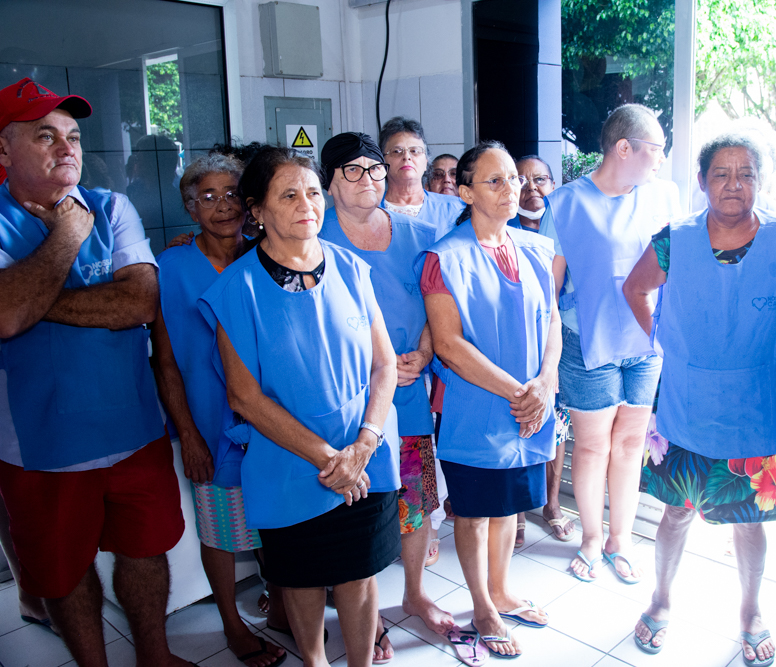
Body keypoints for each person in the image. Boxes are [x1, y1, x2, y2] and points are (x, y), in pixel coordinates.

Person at [0, 77, 188, 667]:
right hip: (41, 447)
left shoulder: (111, 207)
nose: (67, 148)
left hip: (135, 429)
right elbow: (7, 316)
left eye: (73, 136)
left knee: (146, 552)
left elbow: (140, 302)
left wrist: (30, 301)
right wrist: (67, 236)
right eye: (45, 136)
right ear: (4, 150)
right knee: (63, 573)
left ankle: (155, 657)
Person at [198, 146, 401, 667]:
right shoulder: (237, 289)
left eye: (312, 192)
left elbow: (384, 366)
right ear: (257, 211)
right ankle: (314, 661)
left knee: (359, 574)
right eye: (288, 195)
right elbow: (244, 396)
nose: (306, 204)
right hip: (288, 462)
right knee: (303, 578)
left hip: (365, 453)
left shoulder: (352, 269)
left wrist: (363, 445)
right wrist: (329, 459)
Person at [623, 133, 776, 665]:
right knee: (676, 513)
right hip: (687, 401)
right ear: (702, 181)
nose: (734, 184)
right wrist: (666, 341)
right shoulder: (675, 239)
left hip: (760, 404)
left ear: (761, 181)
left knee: (750, 521)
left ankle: (751, 612)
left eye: (746, 174)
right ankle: (661, 600)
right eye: (722, 174)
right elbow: (635, 289)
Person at [419, 141, 561, 659]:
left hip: (530, 405)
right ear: (465, 192)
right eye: (494, 181)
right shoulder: (444, 258)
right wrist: (521, 393)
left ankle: (501, 589)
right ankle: (481, 605)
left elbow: (552, 320)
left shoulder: (536, 248)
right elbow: (449, 345)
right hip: (477, 408)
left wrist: (545, 382)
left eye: (513, 179)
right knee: (475, 512)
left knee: (506, 508)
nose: (510, 190)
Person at [318, 132, 455, 659]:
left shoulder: (418, 235)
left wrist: (425, 351)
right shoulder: (316, 239)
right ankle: (364, 612)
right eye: (352, 170)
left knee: (413, 499)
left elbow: (438, 304)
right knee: (359, 508)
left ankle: (415, 592)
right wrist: (373, 366)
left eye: (375, 169)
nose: (368, 179)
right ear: (329, 182)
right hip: (348, 400)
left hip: (410, 391)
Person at [151, 153, 287, 667]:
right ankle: (232, 623)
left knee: (277, 519)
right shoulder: (171, 268)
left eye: (232, 193)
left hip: (271, 420)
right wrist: (189, 434)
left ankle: (281, 605)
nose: (223, 205)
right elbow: (166, 363)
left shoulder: (267, 255)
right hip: (210, 422)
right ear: (190, 208)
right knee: (220, 529)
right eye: (207, 197)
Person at [540, 103, 679, 587]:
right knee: (594, 445)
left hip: (647, 341)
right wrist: (547, 359)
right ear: (624, 148)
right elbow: (549, 290)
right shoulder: (565, 205)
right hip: (586, 339)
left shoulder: (663, 197)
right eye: (656, 149)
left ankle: (621, 538)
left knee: (631, 443)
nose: (661, 159)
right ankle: (592, 538)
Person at [508, 154, 575, 546]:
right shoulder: (502, 229)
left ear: (553, 185)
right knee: (518, 418)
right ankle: (517, 510)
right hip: (514, 343)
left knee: (557, 422)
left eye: (541, 179)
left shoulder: (567, 227)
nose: (532, 187)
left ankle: (551, 504)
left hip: (558, 341)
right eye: (522, 179)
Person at [379, 117, 465, 238]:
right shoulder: (368, 209)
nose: (407, 157)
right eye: (397, 151)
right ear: (382, 162)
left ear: (426, 162)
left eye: (414, 151)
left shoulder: (457, 208)